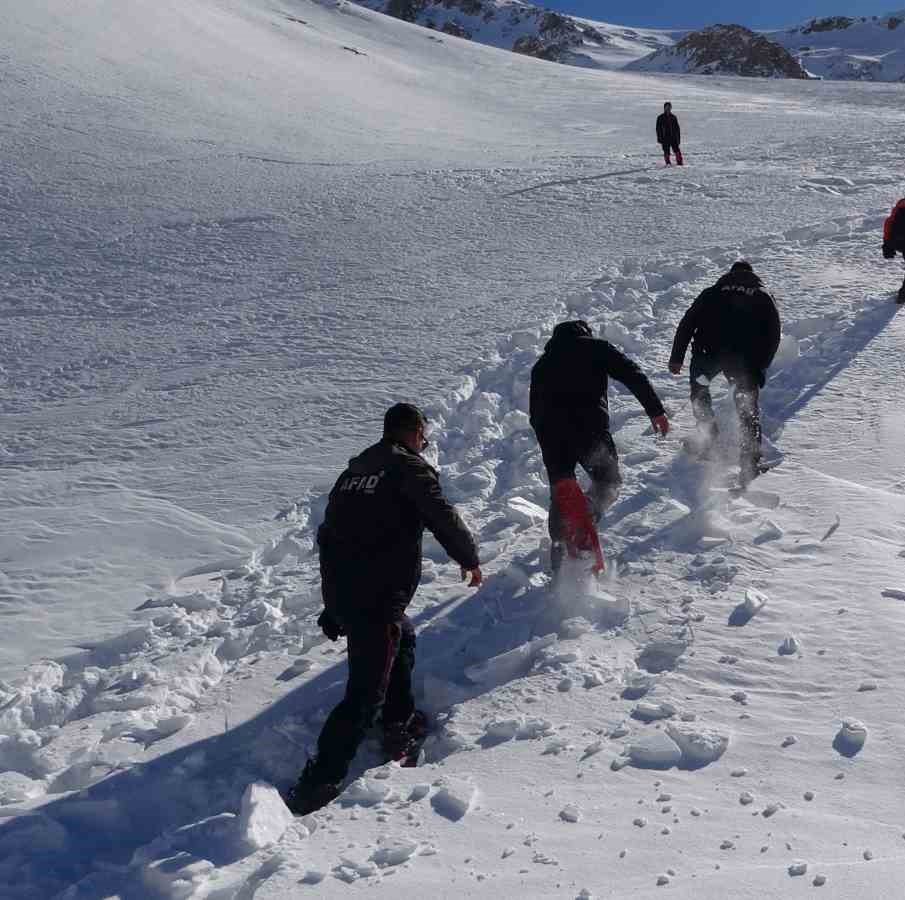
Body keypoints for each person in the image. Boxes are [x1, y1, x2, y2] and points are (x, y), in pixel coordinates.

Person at [286, 403, 483, 815]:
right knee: (364, 693)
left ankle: (398, 722)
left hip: (351, 592)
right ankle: (318, 781)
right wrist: (467, 556)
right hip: (376, 597)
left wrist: (333, 603)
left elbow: (330, 540)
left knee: (404, 639)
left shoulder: (354, 474)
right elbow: (440, 515)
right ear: (412, 432)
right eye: (423, 436)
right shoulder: (407, 468)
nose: (424, 443)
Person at [530, 321, 669, 574]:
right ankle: (587, 515)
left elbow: (535, 414)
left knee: (563, 490)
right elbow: (632, 373)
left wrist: (549, 446)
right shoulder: (595, 348)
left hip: (552, 436)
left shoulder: (541, 365)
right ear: (584, 333)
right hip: (589, 432)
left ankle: (562, 542)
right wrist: (655, 410)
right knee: (609, 481)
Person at [668, 260, 781, 487]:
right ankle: (749, 462)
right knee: (747, 408)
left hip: (707, 353)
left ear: (729, 275)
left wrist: (677, 357)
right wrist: (760, 366)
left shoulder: (712, 292)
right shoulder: (762, 295)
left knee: (700, 394)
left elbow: (687, 323)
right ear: (752, 274)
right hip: (743, 359)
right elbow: (773, 333)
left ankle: (708, 441)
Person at [656, 101, 683, 167]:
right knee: (666, 151)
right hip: (665, 137)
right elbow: (658, 129)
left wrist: (678, 138)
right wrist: (659, 138)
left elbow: (677, 129)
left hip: (673, 137)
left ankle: (679, 162)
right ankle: (668, 163)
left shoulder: (673, 117)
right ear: (664, 108)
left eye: (669, 107)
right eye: (666, 107)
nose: (668, 108)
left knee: (677, 150)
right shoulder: (660, 117)